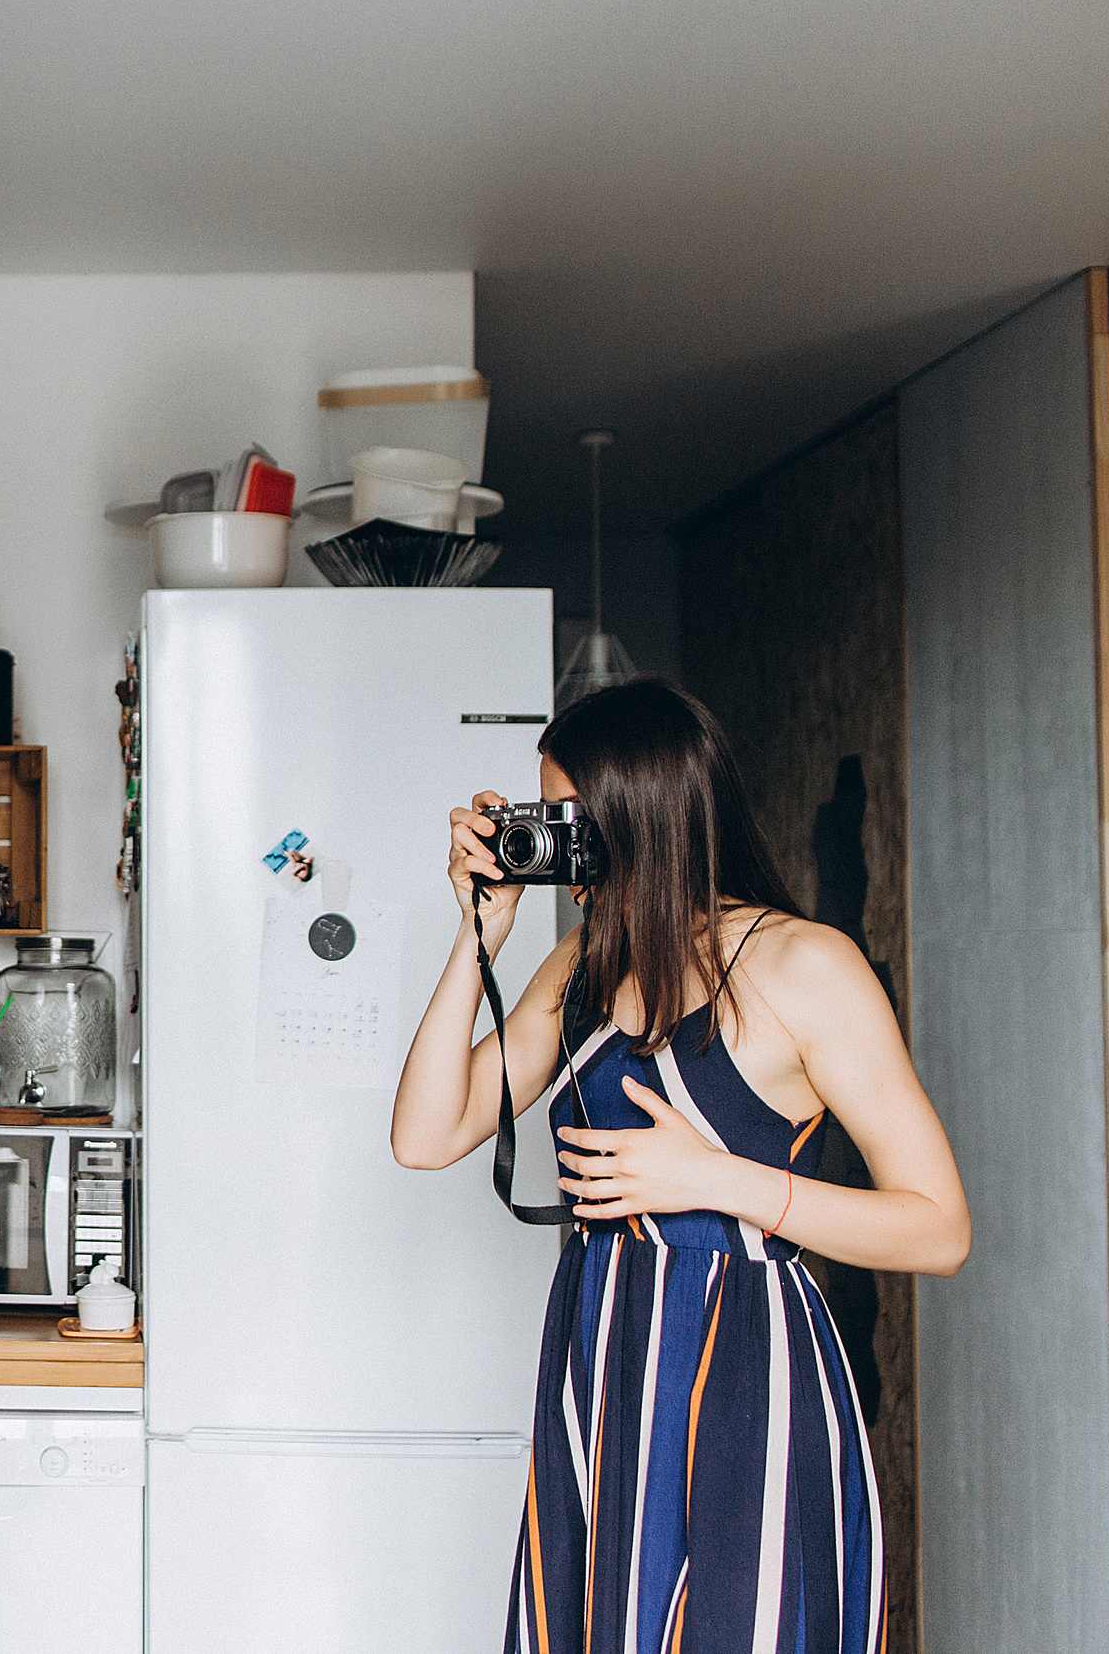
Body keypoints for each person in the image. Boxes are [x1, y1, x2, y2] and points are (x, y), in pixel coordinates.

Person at [391, 678, 967, 1654]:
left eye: (571, 819)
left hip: (744, 1364)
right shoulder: (579, 967)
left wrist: (714, 1179)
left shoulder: (803, 966)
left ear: (640, 817)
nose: (558, 846)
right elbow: (427, 1134)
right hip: (602, 1357)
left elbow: (936, 1228)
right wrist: (475, 938)